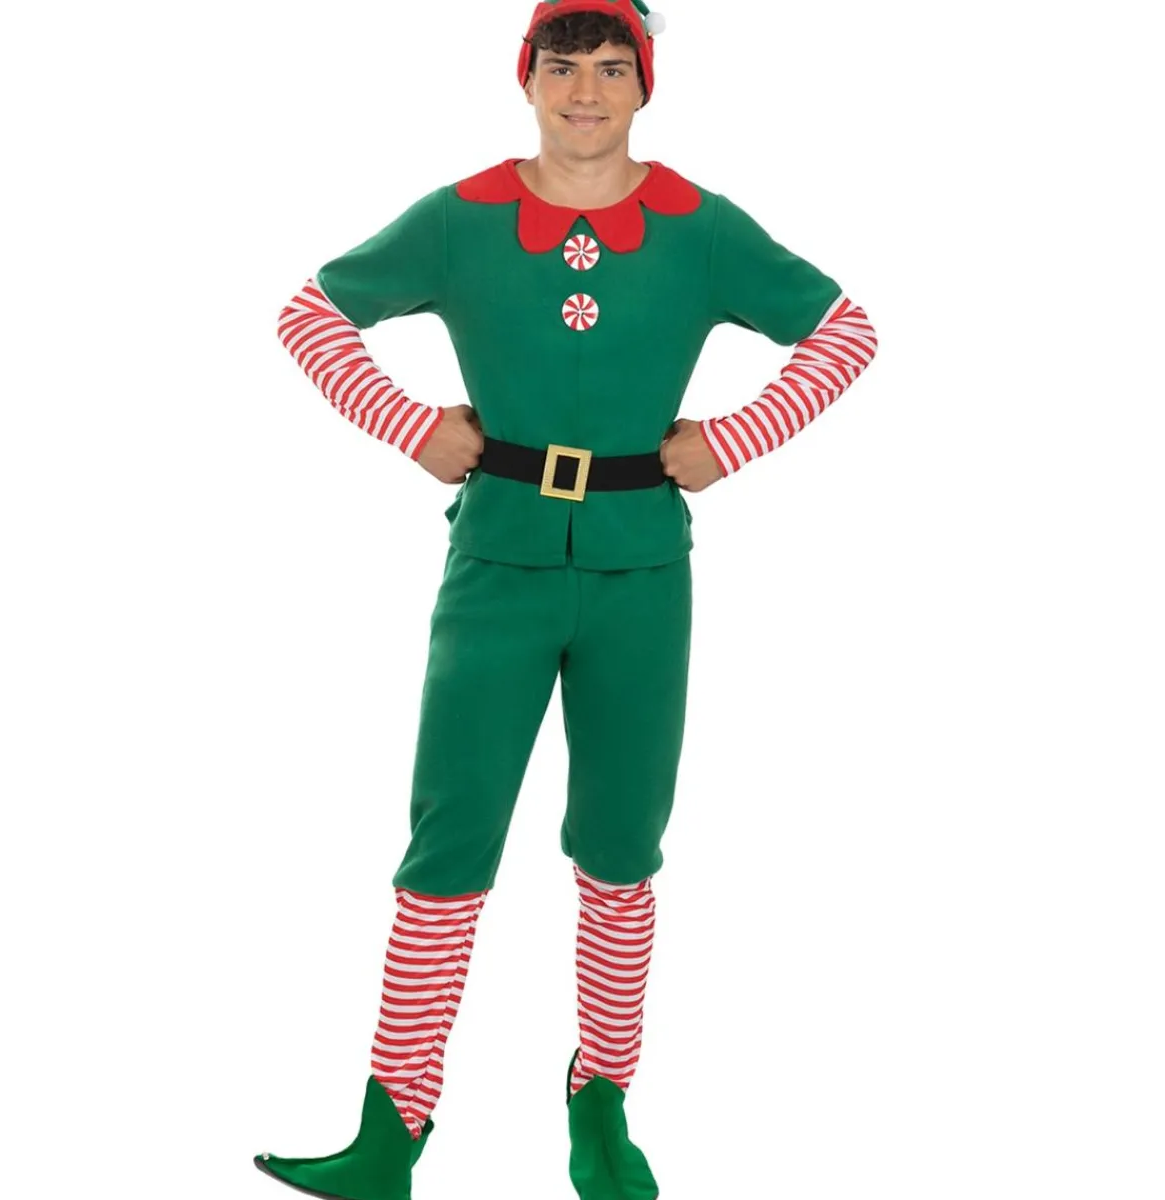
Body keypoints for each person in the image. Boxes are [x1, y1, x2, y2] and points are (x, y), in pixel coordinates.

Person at [258, 1, 879, 1197]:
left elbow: (844, 332)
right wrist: (409, 425)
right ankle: (392, 1125)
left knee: (621, 845)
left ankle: (601, 1104)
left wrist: (737, 438)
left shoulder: (699, 226)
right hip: (497, 566)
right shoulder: (462, 217)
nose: (585, 91)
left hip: (643, 573)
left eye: (609, 68)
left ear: (644, 84)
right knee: (450, 838)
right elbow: (309, 314)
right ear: (527, 78)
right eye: (562, 66)